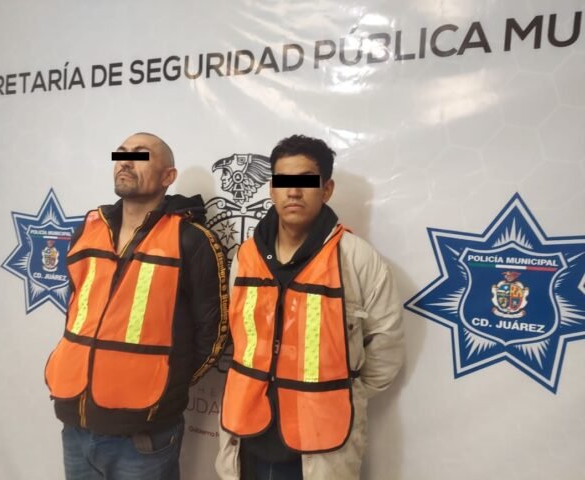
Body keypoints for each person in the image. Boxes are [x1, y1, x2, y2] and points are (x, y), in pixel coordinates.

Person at [216, 135, 404, 480]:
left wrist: (341, 394)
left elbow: (386, 345)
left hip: (320, 446)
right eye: (284, 182)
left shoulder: (356, 258)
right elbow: (237, 334)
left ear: (326, 189)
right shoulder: (246, 257)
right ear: (272, 190)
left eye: (305, 181)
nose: (293, 192)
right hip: (247, 435)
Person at [45, 132, 228, 480]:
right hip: (76, 426)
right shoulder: (88, 230)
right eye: (121, 154)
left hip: (143, 437)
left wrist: (166, 385)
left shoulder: (191, 239)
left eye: (141, 155)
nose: (126, 161)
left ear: (168, 176)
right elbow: (76, 311)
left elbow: (213, 334)